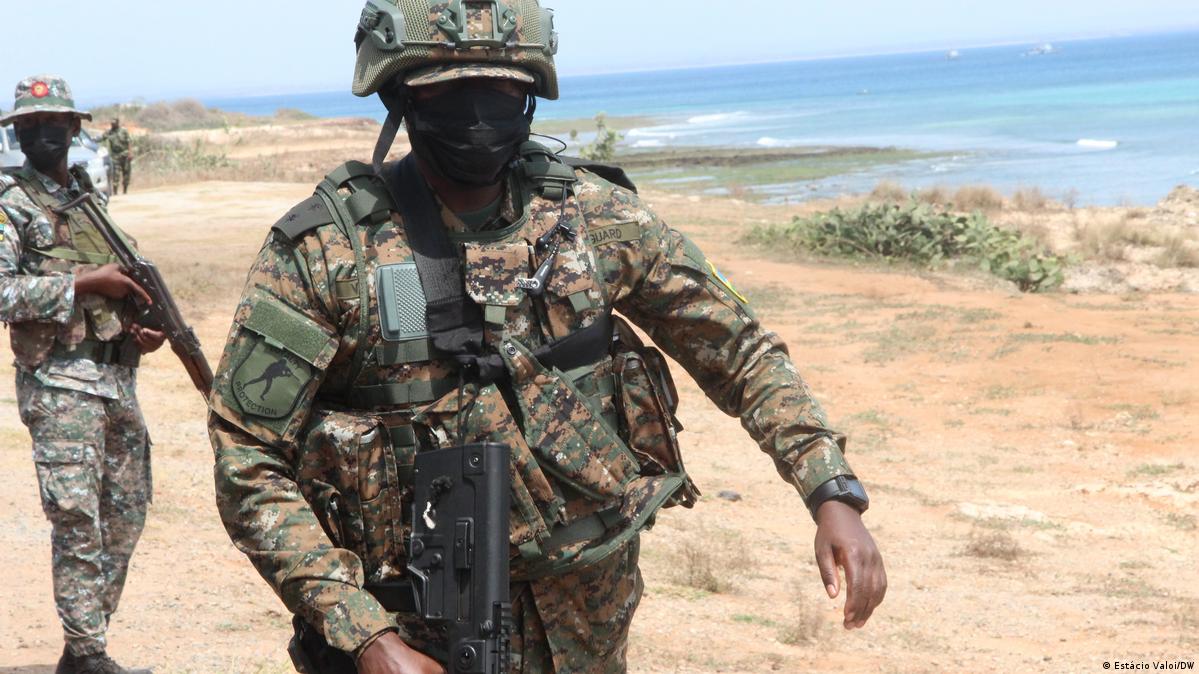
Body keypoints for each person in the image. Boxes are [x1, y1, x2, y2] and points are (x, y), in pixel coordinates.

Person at [208, 2, 886, 673]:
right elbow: (247, 456)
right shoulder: (327, 251)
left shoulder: (596, 220)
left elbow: (738, 351)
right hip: (410, 633)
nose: (478, 115)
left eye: (501, 91)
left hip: (585, 621)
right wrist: (366, 637)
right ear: (400, 94)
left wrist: (828, 489)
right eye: (450, 92)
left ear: (530, 95)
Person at [0, 75, 162, 674]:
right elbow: (1, 292)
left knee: (127, 512)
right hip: (60, 385)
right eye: (30, 125)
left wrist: (143, 329)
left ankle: (82, 646)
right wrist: (86, 283)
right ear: (17, 133)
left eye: (54, 122)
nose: (43, 133)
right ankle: (91, 655)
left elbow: (126, 288)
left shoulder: (89, 199)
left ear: (75, 127)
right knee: (76, 519)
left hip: (117, 379)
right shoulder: (10, 204)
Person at [99, 118, 132, 195]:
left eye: (114, 123)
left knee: (126, 173)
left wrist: (130, 153)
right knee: (115, 174)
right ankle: (115, 192)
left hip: (125, 154)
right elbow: (102, 138)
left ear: (117, 123)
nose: (112, 125)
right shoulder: (109, 132)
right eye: (111, 124)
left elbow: (129, 142)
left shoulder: (124, 131)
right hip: (115, 156)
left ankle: (125, 190)